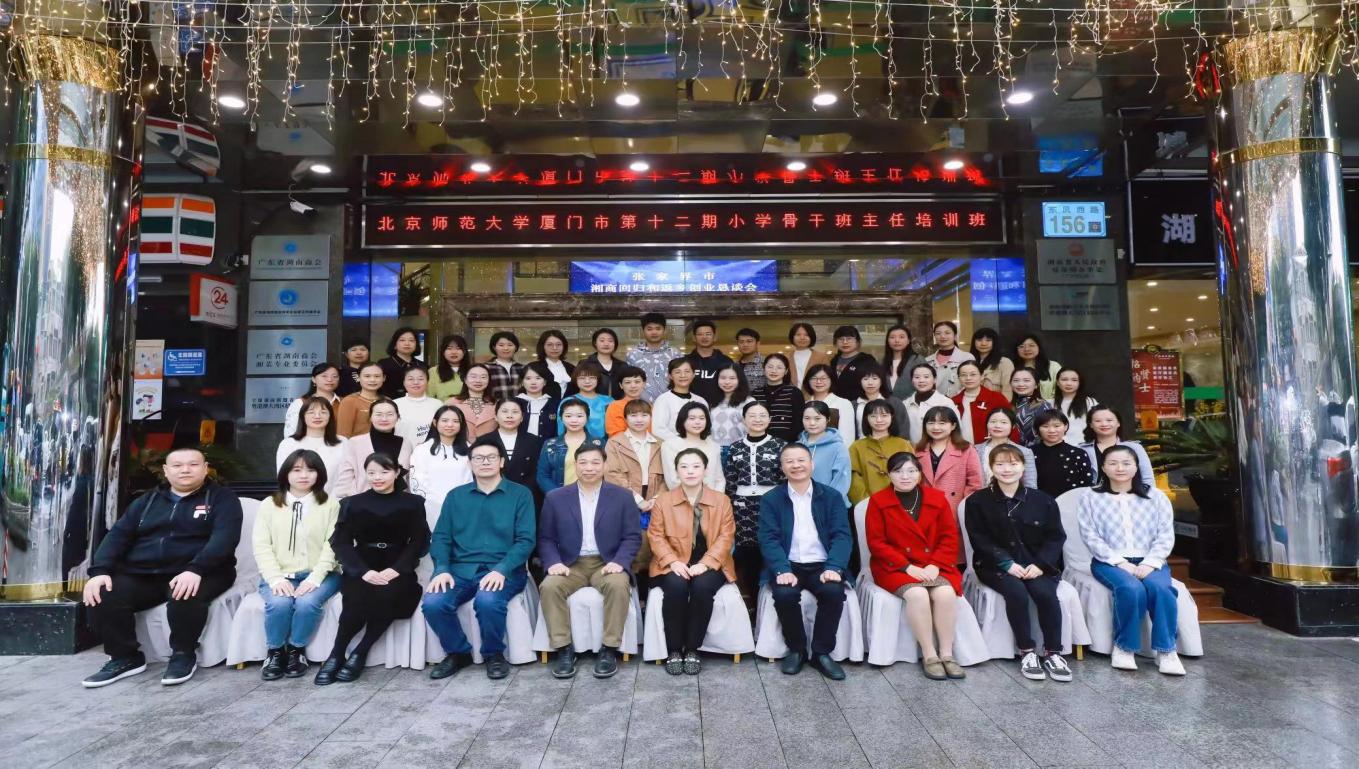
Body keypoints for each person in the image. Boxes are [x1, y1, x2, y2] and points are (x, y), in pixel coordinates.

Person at [81, 447, 243, 687]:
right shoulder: (146, 501)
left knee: (185, 593)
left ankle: (183, 654)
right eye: (177, 465)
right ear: (166, 471)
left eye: (193, 464)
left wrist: (195, 569)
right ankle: (125, 657)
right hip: (145, 573)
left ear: (205, 469)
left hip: (205, 571)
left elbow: (224, 540)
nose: (185, 470)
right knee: (102, 593)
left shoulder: (222, 499)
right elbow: (117, 536)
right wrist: (99, 571)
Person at [421, 439, 537, 680]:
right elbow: (441, 537)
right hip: (460, 570)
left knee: (487, 601)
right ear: (470, 463)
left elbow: (526, 540)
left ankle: (493, 654)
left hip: (503, 569)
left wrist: (502, 569)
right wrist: (442, 569)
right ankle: (458, 652)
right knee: (433, 603)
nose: (485, 462)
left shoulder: (520, 494)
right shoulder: (456, 496)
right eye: (478, 458)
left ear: (502, 462)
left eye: (491, 457)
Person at [315, 454, 430, 684]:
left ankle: (361, 652)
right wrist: (363, 571)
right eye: (371, 473)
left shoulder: (413, 503)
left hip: (398, 564)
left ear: (396, 473)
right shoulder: (352, 503)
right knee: (356, 598)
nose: (377, 477)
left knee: (389, 595)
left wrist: (397, 569)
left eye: (384, 472)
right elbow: (341, 542)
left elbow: (420, 540)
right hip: (363, 563)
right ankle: (336, 654)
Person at [965, 445, 1071, 682]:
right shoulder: (977, 501)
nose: (1007, 469)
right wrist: (1006, 564)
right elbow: (979, 539)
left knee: (1045, 594)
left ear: (1023, 467)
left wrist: (1041, 565)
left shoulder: (1043, 500)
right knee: (1016, 593)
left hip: (1036, 564)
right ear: (991, 468)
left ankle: (1054, 653)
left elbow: (1055, 537)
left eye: (1013, 464)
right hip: (994, 565)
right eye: (1000, 464)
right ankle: (1027, 651)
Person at [538, 444, 642, 679]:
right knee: (549, 586)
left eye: (595, 462)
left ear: (604, 465)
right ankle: (564, 649)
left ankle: (609, 649)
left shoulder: (622, 496)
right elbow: (546, 538)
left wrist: (620, 561)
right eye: (583, 462)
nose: (589, 468)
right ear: (575, 465)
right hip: (570, 564)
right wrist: (553, 562)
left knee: (618, 584)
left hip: (606, 562)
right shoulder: (556, 497)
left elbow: (632, 536)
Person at [1077, 445, 1184, 675]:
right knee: (1131, 588)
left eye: (1126, 463)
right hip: (1108, 562)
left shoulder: (1156, 497)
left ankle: (1166, 650)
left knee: (1162, 589)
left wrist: (1150, 563)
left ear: (1136, 467)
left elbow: (1165, 535)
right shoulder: (1091, 497)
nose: (1120, 468)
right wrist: (1120, 562)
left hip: (1151, 560)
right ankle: (1124, 647)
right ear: (1103, 467)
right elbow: (1090, 536)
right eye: (1113, 463)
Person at [864, 452, 964, 681]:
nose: (905, 476)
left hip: (934, 564)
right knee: (917, 594)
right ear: (889, 474)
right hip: (894, 567)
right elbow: (877, 543)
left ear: (920, 473)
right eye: (898, 471)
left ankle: (947, 654)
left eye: (911, 471)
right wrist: (906, 567)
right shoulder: (879, 501)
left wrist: (936, 565)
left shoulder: (936, 498)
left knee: (946, 593)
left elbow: (949, 536)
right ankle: (930, 655)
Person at [758, 442, 851, 680]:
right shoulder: (771, 499)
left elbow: (842, 535)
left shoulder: (831, 497)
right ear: (782, 467)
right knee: (785, 595)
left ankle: (821, 653)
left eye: (801, 460)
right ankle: (797, 649)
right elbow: (768, 538)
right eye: (789, 461)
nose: (796, 465)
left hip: (822, 564)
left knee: (833, 592)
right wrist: (781, 569)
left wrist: (834, 567)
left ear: (812, 464)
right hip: (789, 565)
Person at [254, 449, 343, 680]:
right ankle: (275, 652)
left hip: (322, 574)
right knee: (279, 603)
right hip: (281, 574)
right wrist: (276, 579)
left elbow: (333, 545)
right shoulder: (269, 505)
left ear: (319, 474)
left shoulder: (330, 504)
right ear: (286, 473)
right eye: (296, 470)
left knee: (307, 602)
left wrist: (314, 578)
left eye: (310, 470)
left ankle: (296, 650)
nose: (304, 475)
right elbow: (261, 546)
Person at [649, 448, 737, 675]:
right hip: (674, 562)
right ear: (676, 471)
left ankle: (692, 648)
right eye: (684, 467)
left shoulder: (721, 500)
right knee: (676, 586)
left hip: (711, 563)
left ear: (705, 470)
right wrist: (672, 562)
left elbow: (726, 536)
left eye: (696, 466)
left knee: (702, 587)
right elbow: (655, 535)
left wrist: (705, 563)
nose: (690, 471)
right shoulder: (664, 501)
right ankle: (674, 649)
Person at [722, 401, 786, 607]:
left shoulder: (780, 445)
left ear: (770, 419)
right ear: (744, 419)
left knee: (771, 549)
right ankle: (751, 604)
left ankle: (771, 602)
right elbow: (730, 481)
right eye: (752, 415)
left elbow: (784, 480)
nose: (757, 419)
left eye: (762, 415)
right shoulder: (735, 447)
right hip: (742, 509)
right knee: (747, 556)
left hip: (772, 506)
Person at [604, 399, 666, 582]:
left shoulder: (661, 444)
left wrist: (656, 498)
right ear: (625, 419)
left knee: (654, 548)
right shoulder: (615, 443)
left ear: (651, 418)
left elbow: (668, 477)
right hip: (626, 501)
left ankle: (651, 590)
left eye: (644, 415)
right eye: (633, 415)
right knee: (631, 548)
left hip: (655, 501)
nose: (639, 419)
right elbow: (612, 474)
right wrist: (638, 500)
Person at [278, 396, 355, 497]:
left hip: (336, 501)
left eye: (323, 412)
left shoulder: (343, 442)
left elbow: (347, 477)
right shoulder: (288, 444)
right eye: (311, 412)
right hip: (298, 501)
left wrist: (333, 501)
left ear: (330, 416)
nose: (317, 416)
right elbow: (284, 477)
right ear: (302, 416)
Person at [409, 406, 473, 525]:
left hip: (464, 506)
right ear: (435, 422)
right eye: (444, 420)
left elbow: (471, 479)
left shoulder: (470, 450)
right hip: (430, 509)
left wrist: (460, 501)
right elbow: (417, 483)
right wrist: (438, 503)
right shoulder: (422, 450)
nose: (450, 425)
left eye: (455, 421)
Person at [916, 406, 983, 513]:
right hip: (924, 507)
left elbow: (975, 483)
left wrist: (965, 506)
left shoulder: (966, 449)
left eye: (942, 423)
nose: (936, 427)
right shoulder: (918, 450)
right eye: (931, 423)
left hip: (953, 507)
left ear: (953, 426)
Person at [849, 400, 914, 505]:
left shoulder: (903, 444)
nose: (879, 420)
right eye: (873, 416)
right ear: (866, 418)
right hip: (868, 505)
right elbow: (853, 478)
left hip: (901, 503)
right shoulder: (856, 447)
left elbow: (914, 474)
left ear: (892, 417)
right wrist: (866, 502)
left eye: (884, 415)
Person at [536, 398, 605, 494]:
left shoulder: (599, 443)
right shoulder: (550, 444)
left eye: (579, 416)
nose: (574, 420)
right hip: (560, 497)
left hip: (592, 496)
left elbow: (606, 473)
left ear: (587, 418)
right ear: (561, 418)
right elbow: (542, 476)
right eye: (568, 416)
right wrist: (559, 495)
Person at [344, 399, 413, 494]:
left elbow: (409, 479)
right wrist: (354, 500)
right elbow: (345, 478)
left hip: (400, 501)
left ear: (397, 417)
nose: (384, 419)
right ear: (370, 417)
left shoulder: (406, 444)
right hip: (363, 500)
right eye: (378, 414)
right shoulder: (355, 443)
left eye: (390, 414)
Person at [1082, 405, 1155, 487]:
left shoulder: (1135, 448)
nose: (1104, 424)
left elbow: (1148, 480)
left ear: (1118, 423)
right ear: (1091, 424)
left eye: (1109, 420)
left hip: (1128, 494)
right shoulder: (1082, 450)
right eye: (1098, 421)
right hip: (1092, 494)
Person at [481, 399, 543, 496]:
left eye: (515, 412)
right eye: (504, 411)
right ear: (495, 416)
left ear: (522, 417)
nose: (509, 416)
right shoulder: (483, 441)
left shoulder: (534, 441)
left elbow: (538, 473)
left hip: (525, 495)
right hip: (492, 494)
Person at [661, 402, 726, 492]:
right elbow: (672, 481)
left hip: (713, 498)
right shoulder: (670, 445)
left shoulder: (713, 446)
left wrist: (716, 498)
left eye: (702, 418)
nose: (697, 422)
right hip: (682, 498)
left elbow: (719, 479)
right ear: (682, 420)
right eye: (692, 418)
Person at [1032, 410, 1097, 498]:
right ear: (1038, 428)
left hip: (1071, 502)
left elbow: (1087, 485)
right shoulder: (1030, 453)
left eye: (1057, 426)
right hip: (1039, 501)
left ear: (1065, 426)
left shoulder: (1078, 453)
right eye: (1045, 426)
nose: (1051, 430)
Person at [799, 401, 851, 506]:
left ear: (828, 419)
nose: (812, 423)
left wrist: (826, 503)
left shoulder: (838, 447)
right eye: (807, 418)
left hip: (830, 505)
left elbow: (841, 480)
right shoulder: (797, 446)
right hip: (801, 504)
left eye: (817, 418)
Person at [952, 360, 1014, 444]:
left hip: (991, 448)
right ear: (959, 378)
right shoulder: (953, 401)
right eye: (963, 375)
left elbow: (1011, 426)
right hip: (959, 448)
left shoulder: (996, 398)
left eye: (973, 374)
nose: (968, 378)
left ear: (982, 376)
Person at [627, 312, 683, 402]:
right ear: (643, 331)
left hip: (671, 403)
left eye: (658, 328)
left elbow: (681, 379)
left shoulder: (675, 353)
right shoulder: (633, 354)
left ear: (665, 330)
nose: (654, 332)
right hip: (640, 405)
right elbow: (628, 381)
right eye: (649, 329)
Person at [976, 408, 1037, 488]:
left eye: (1003, 422)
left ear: (1013, 426)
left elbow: (1030, 485)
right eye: (993, 422)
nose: (997, 426)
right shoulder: (975, 450)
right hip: (980, 495)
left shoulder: (1024, 452)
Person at [651, 358, 708, 442]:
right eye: (677, 372)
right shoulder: (663, 400)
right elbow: (658, 430)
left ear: (693, 374)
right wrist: (683, 443)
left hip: (698, 446)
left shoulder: (701, 401)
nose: (683, 375)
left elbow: (707, 428)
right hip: (672, 447)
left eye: (687, 371)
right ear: (670, 376)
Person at [752, 353, 805, 442]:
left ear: (786, 371)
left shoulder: (794, 392)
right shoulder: (755, 394)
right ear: (764, 369)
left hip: (787, 443)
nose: (774, 371)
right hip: (759, 442)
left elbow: (799, 422)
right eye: (770, 367)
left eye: (779, 368)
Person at [282, 363, 342, 440]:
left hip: (338, 445)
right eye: (324, 376)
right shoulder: (301, 403)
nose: (330, 380)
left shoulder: (345, 402)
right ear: (314, 379)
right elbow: (290, 434)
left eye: (335, 376)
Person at [902, 363, 959, 445]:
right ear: (912, 380)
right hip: (912, 450)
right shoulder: (905, 404)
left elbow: (957, 429)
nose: (921, 380)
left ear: (935, 379)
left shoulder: (945, 403)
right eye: (917, 377)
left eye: (926, 377)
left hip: (941, 449)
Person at [853, 363, 908, 441]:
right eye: (865, 379)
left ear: (882, 380)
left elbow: (903, 430)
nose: (870, 383)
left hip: (890, 446)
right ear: (859, 381)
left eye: (875, 378)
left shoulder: (895, 403)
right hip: (861, 446)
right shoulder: (854, 405)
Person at [685, 318, 734, 405]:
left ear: (714, 337)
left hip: (719, 408)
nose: (704, 337)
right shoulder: (686, 361)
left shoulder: (726, 361)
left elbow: (733, 386)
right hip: (691, 408)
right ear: (694, 338)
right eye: (700, 334)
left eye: (708, 334)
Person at [558, 360, 613, 438]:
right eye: (582, 378)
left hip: (606, 444)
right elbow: (561, 430)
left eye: (592, 378)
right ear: (576, 380)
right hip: (575, 444)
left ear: (598, 379)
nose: (587, 381)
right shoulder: (568, 401)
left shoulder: (609, 401)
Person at [828, 325, 878, 402]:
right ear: (835, 342)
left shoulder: (866, 360)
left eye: (849, 338)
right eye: (841, 339)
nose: (845, 342)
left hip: (859, 402)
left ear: (857, 341)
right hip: (836, 403)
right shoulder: (833, 361)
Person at [1051, 367, 1099, 446]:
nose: (1069, 383)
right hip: (1056, 446)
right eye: (1064, 379)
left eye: (1074, 380)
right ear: (1057, 382)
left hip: (1084, 445)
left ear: (1080, 382)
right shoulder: (1049, 403)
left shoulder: (1090, 402)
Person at [802, 363, 855, 436]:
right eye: (814, 378)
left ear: (832, 380)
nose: (818, 382)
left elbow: (847, 435)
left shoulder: (843, 403)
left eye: (823, 378)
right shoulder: (804, 404)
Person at [709, 362, 754, 447]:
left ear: (740, 380)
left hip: (740, 449)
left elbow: (754, 429)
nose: (727, 382)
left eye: (732, 378)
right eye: (723, 378)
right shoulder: (711, 401)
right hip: (714, 449)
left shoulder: (749, 402)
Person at [448, 363, 497, 440]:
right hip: (460, 446)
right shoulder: (451, 403)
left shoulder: (496, 404)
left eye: (483, 377)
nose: (478, 380)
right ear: (465, 380)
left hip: (489, 446)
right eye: (473, 376)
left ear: (489, 380)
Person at [928, 321, 975, 398]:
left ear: (955, 336)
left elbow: (972, 383)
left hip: (959, 401)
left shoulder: (966, 358)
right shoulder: (928, 360)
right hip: (933, 402)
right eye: (938, 333)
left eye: (947, 333)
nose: (942, 336)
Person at [394, 367, 442, 446]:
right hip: (400, 449)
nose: (416, 382)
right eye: (410, 379)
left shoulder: (437, 404)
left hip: (430, 449)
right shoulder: (394, 404)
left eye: (420, 379)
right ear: (404, 382)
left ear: (427, 382)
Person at [336, 362, 384, 437]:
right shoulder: (349, 401)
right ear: (358, 378)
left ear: (384, 378)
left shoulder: (387, 401)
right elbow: (343, 435)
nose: (372, 380)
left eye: (377, 376)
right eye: (367, 376)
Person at [516, 362, 560, 439]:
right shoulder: (514, 402)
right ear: (522, 382)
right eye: (528, 378)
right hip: (520, 446)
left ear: (545, 382)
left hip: (548, 445)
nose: (533, 382)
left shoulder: (555, 404)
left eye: (538, 378)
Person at [883, 324, 926, 400]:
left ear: (908, 341)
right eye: (892, 337)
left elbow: (926, 385)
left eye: (901, 337)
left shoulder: (918, 360)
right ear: (887, 341)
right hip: (886, 405)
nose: (897, 340)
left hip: (912, 404)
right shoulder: (882, 362)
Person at [969, 327, 1015, 399]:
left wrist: (1002, 405)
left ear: (995, 342)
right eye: (979, 340)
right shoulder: (969, 361)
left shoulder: (1004, 362)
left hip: (996, 404)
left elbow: (1007, 390)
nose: (983, 343)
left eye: (988, 340)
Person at [1014, 334, 1062, 401]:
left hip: (1051, 405)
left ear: (1039, 347)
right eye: (1021, 346)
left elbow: (1061, 391)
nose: (1027, 349)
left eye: (1031, 345)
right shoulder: (1012, 367)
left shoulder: (1053, 366)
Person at [377, 327, 423, 399]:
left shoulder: (422, 365)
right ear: (395, 345)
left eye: (411, 340)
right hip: (389, 403)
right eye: (402, 340)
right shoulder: (383, 364)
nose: (407, 343)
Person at [581, 327, 625, 399]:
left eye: (610, 341)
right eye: (602, 340)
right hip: (591, 404)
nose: (606, 344)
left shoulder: (622, 366)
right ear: (595, 343)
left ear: (615, 344)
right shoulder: (584, 364)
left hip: (617, 404)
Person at [603, 365, 647, 437]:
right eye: (627, 382)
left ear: (644, 384)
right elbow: (616, 435)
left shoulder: (649, 406)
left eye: (637, 382)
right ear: (621, 385)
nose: (633, 386)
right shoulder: (615, 407)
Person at [1009, 368, 1048, 447]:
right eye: (1016, 380)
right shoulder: (1008, 405)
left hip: (1036, 450)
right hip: (1010, 450)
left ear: (1036, 385)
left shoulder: (1043, 406)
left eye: (1026, 380)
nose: (1020, 384)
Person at [485, 331, 525, 404]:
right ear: (494, 347)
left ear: (515, 347)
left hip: (518, 408)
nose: (506, 348)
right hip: (494, 407)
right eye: (501, 345)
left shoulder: (522, 368)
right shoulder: (486, 368)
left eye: (510, 345)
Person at [788, 322, 831, 388]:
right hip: (790, 393)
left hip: (815, 393)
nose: (802, 338)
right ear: (792, 337)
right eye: (798, 334)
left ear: (811, 337)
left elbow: (828, 379)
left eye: (806, 335)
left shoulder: (822, 357)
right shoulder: (786, 357)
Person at [429, 334, 470, 401]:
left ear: (464, 351)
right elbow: (429, 397)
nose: (454, 352)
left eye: (458, 348)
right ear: (443, 352)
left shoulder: (472, 370)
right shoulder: (434, 371)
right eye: (449, 348)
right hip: (442, 407)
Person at [535, 329, 575, 398]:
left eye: (558, 344)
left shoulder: (572, 368)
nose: (554, 348)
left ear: (564, 346)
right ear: (542, 346)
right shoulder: (533, 368)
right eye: (549, 344)